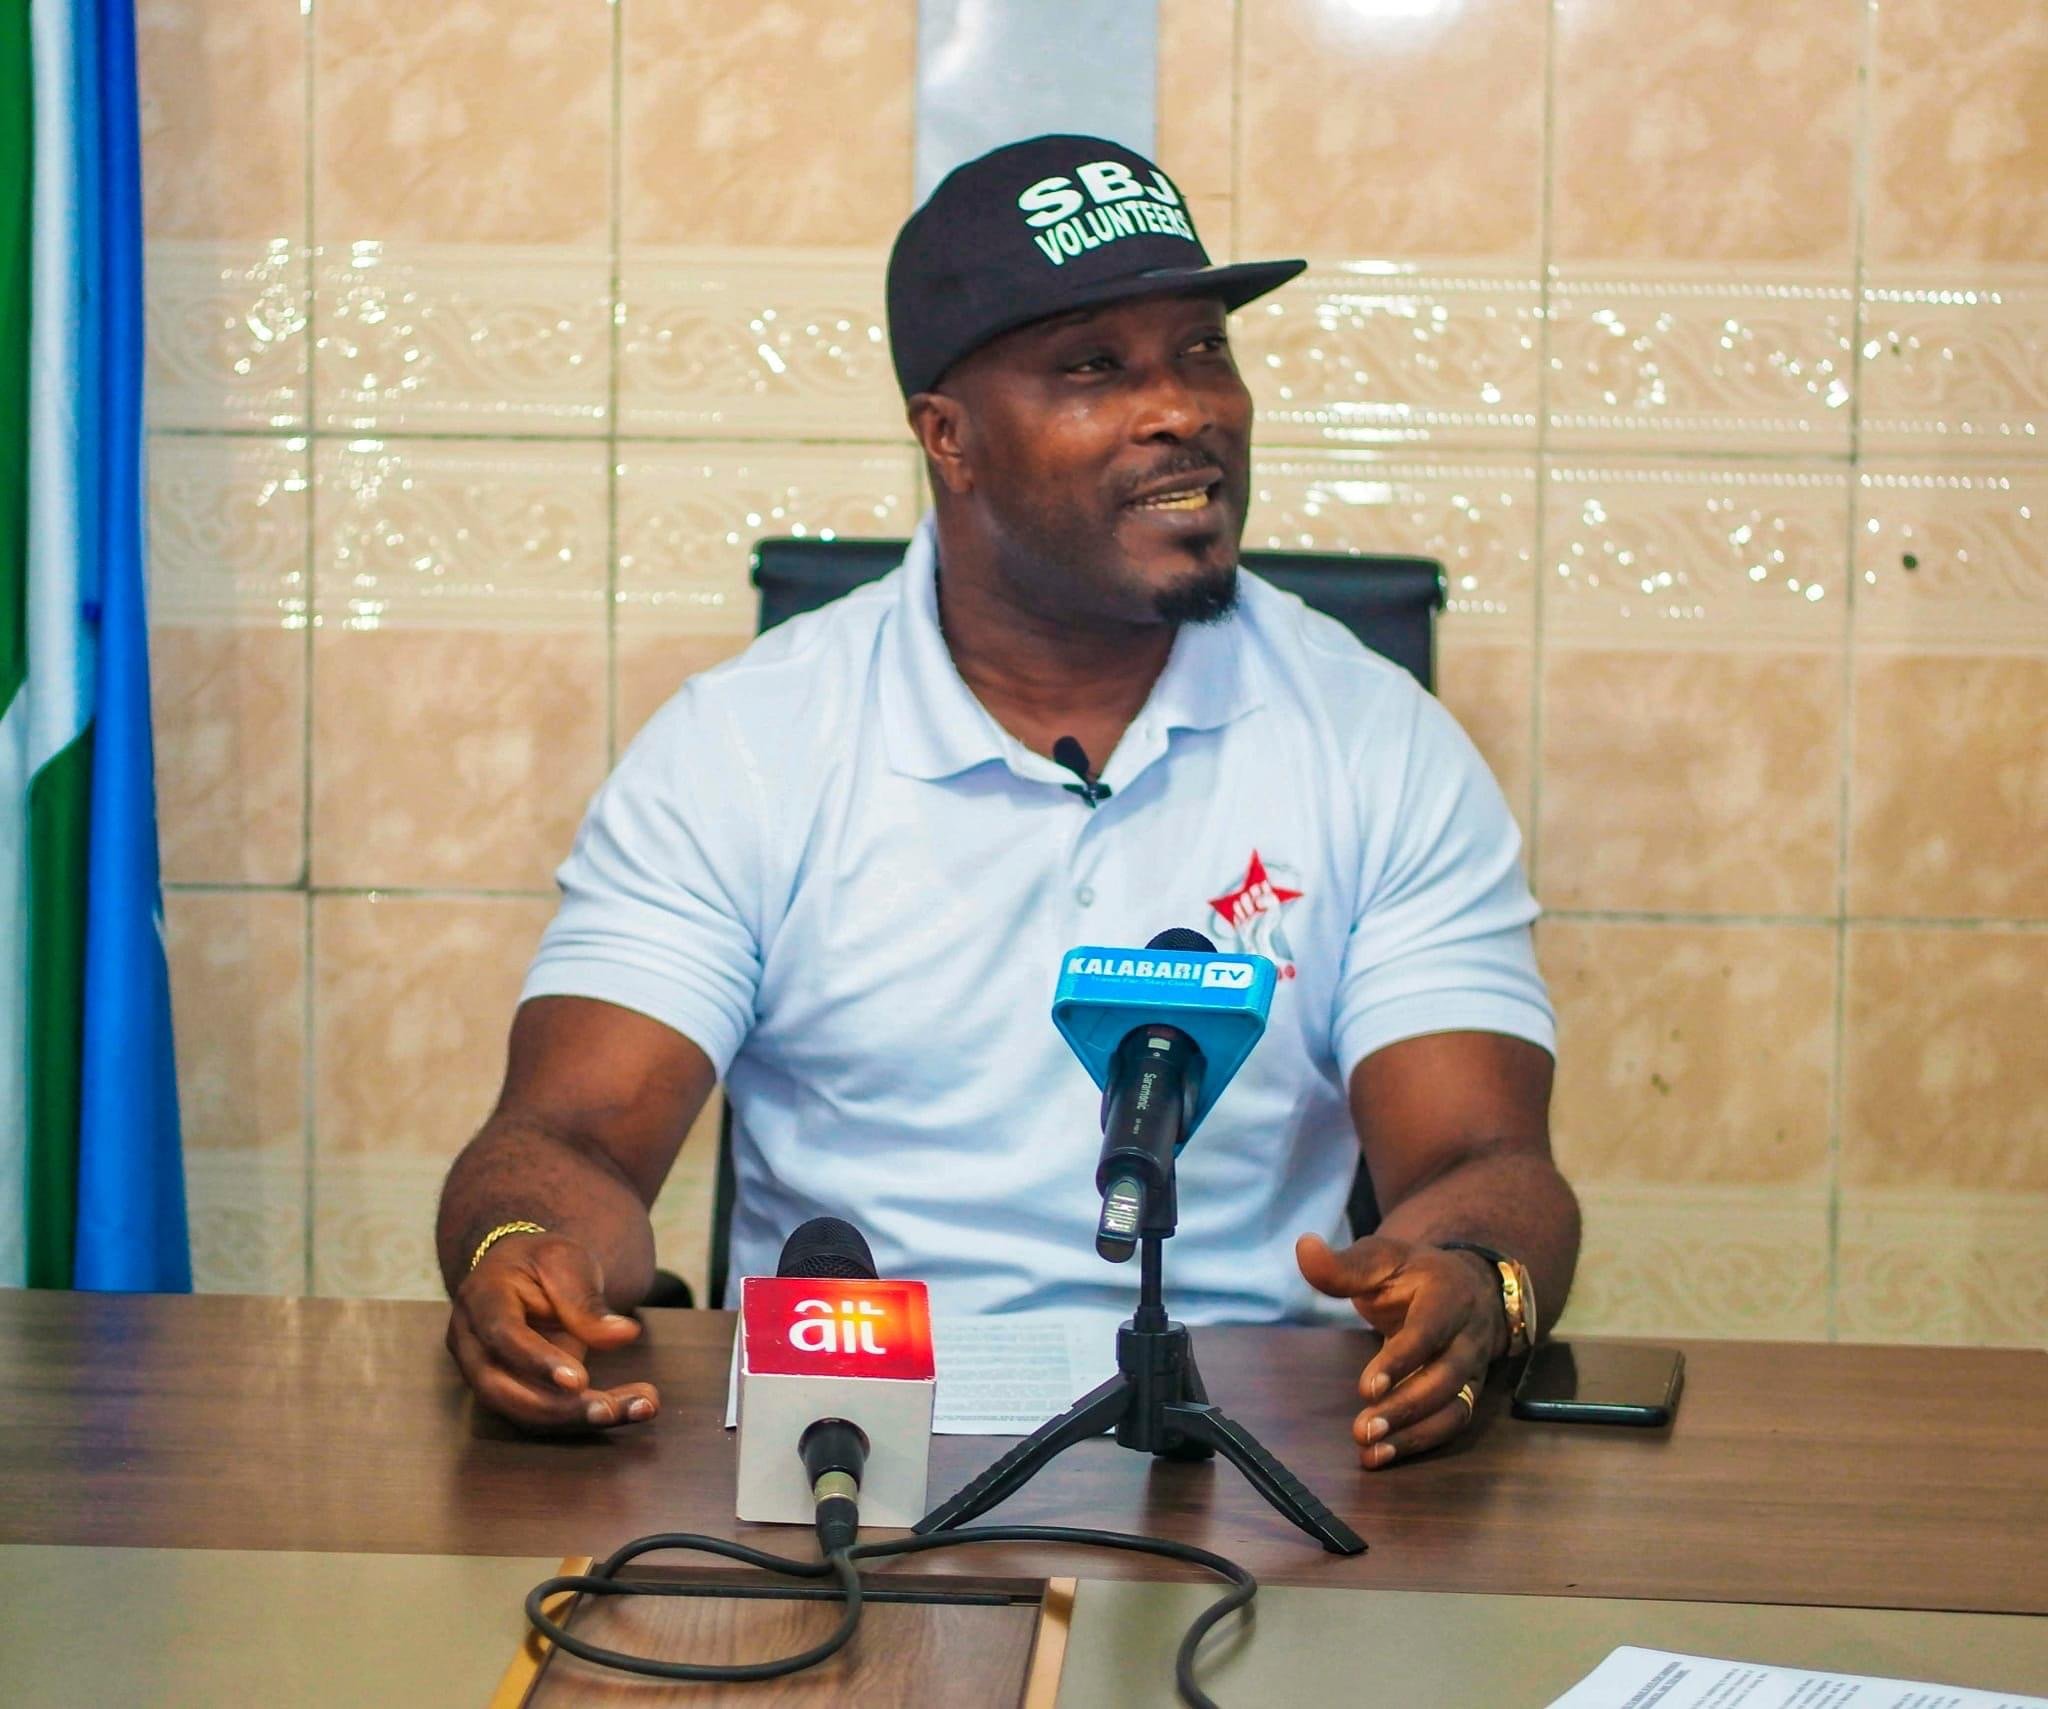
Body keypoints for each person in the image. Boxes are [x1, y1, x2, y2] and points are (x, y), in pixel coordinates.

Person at [435, 135, 1580, 1470]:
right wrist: (525, 1254)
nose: (1182, 409)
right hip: (847, 1453)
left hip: (1243, 1454)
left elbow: (1480, 1159)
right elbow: (567, 1138)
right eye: (1094, 367)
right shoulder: (744, 745)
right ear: (949, 438)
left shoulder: (1377, 741)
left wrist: (1474, 1279)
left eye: (1203, 351)